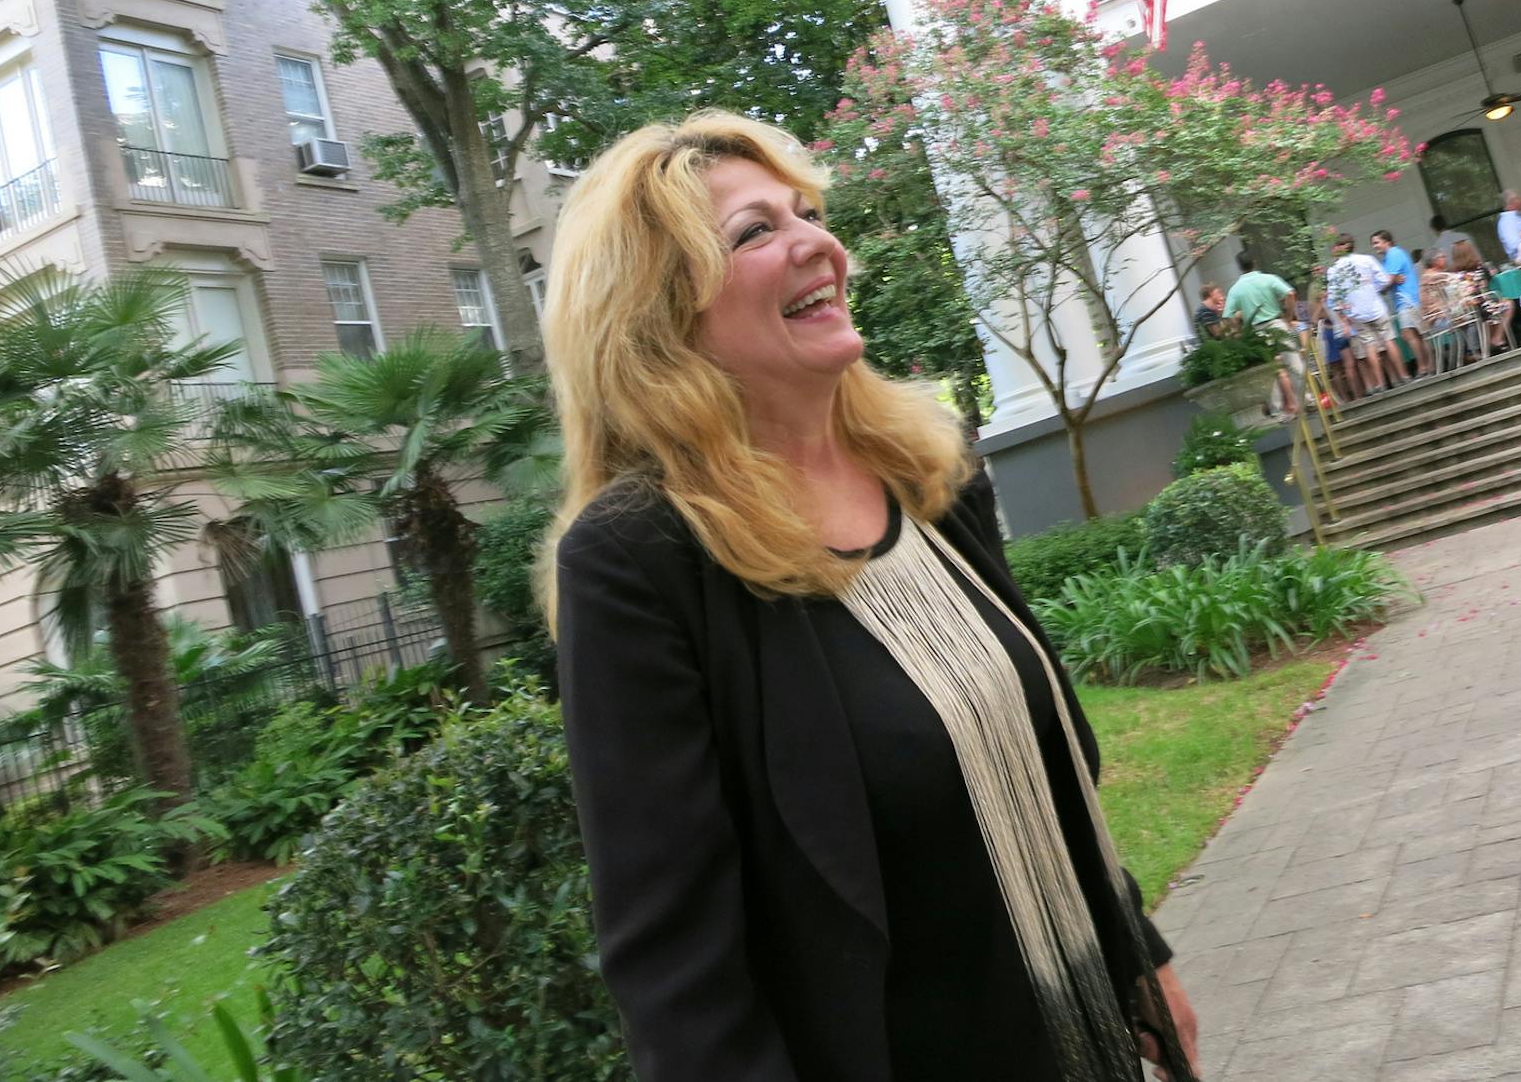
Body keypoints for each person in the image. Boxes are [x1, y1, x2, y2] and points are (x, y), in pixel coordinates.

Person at [546, 113, 1200, 1082]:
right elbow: (677, 972)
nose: (817, 242)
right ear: (662, 316)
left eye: (808, 213)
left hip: (1082, 1036)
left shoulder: (928, 472)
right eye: (756, 231)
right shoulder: (641, 559)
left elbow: (1035, 773)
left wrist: (1139, 949)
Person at [1226, 253, 1303, 419]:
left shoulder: (1236, 289)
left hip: (1256, 332)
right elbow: (1290, 294)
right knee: (1294, 363)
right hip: (1277, 323)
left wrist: (1240, 331)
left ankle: (1277, 410)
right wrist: (1288, 317)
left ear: (1239, 267)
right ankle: (1307, 400)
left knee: (1268, 372)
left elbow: (1228, 315)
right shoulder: (1268, 279)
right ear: (1254, 262)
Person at [1327, 232, 1401, 392]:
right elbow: (1384, 280)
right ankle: (1402, 376)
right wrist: (1371, 289)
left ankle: (1380, 383)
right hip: (1376, 307)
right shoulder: (1367, 259)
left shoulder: (1334, 270)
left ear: (1342, 247)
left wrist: (1344, 320)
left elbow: (1334, 298)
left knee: (1369, 347)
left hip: (1356, 313)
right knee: (1389, 340)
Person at [1371, 228, 1429, 377]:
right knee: (1415, 334)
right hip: (1404, 300)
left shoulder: (1394, 254)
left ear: (1387, 242)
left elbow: (1386, 282)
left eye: (1377, 242)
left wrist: (1388, 282)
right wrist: (1388, 282)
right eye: (1373, 244)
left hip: (1407, 299)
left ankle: (1423, 367)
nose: (1375, 246)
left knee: (1410, 334)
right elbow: (1385, 285)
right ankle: (1427, 366)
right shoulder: (1386, 259)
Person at [1450, 239, 1515, 350]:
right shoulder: (1480, 269)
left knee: (1492, 304)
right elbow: (1487, 284)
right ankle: (1497, 338)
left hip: (1464, 310)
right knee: (1508, 304)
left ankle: (1489, 343)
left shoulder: (1453, 274)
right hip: (1480, 306)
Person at [1495, 190, 1521, 265]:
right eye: (1519, 198)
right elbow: (1514, 245)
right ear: (1512, 201)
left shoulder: (1516, 217)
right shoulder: (1508, 221)